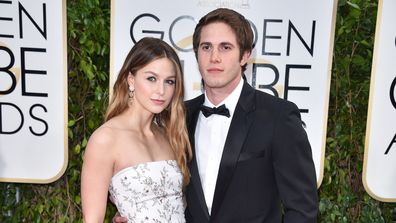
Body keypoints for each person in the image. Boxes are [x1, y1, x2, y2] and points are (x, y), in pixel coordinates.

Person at [114, 8, 318, 223]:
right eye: (206, 47)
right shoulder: (178, 117)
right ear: (196, 54)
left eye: (226, 47)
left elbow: (302, 210)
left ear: (245, 55)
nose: (214, 57)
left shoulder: (278, 117)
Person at [81, 37, 192, 223]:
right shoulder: (106, 139)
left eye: (169, 82)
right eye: (151, 78)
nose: (161, 90)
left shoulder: (169, 135)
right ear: (131, 80)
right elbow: (92, 220)